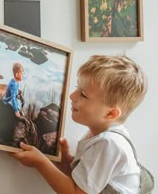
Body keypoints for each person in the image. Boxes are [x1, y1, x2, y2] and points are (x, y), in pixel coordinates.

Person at [11, 55, 148, 193]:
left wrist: (40, 163)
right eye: (77, 88)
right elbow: (83, 182)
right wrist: (66, 162)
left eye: (83, 94)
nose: (72, 96)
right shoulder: (98, 136)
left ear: (110, 114)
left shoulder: (108, 144)